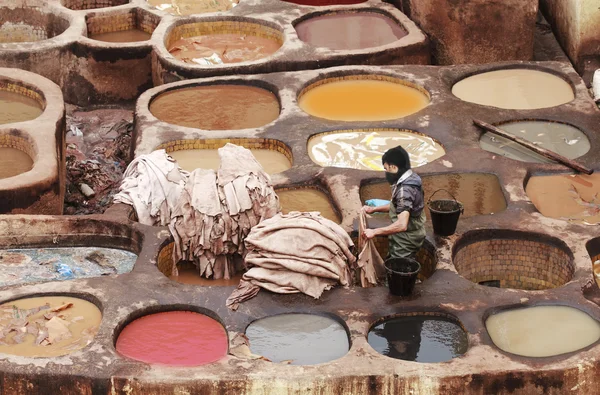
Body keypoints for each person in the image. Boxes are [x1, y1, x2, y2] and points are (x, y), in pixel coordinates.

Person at [362, 146, 426, 259]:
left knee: (400, 267)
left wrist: (375, 232)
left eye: (386, 169)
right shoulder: (410, 177)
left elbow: (402, 224)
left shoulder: (404, 191)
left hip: (406, 239)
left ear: (393, 167)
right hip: (411, 232)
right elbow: (396, 206)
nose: (386, 172)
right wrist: (374, 209)